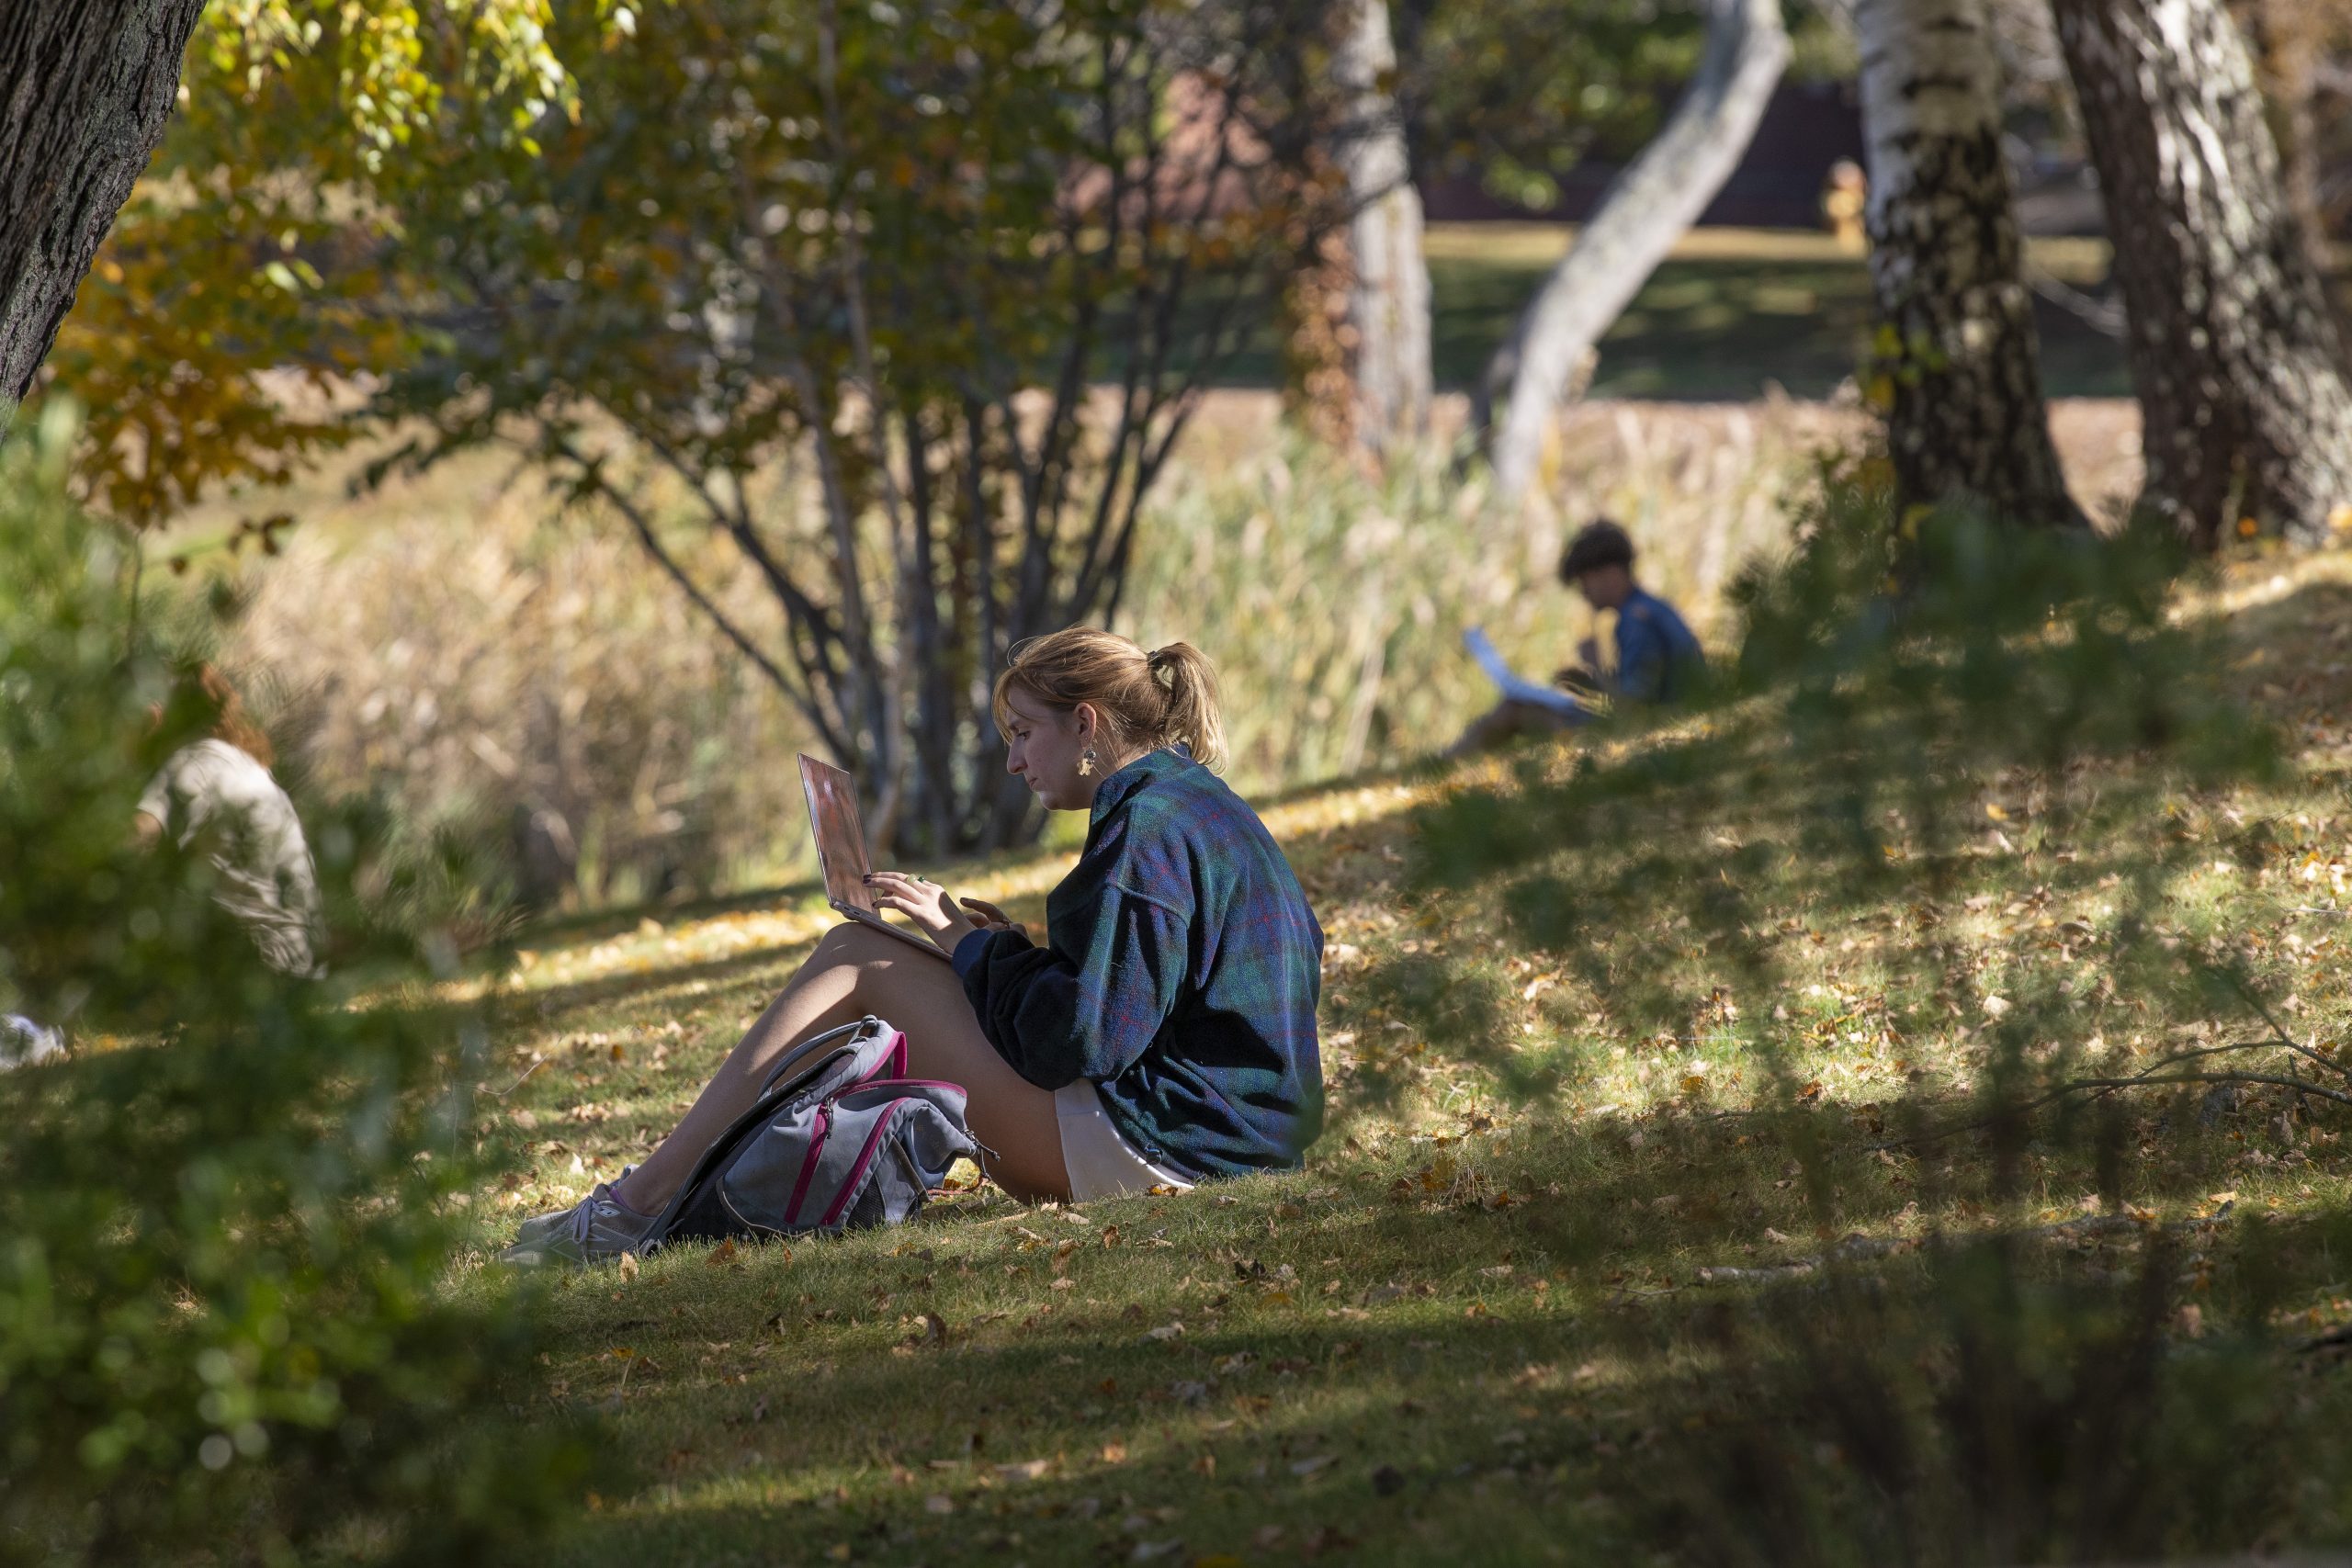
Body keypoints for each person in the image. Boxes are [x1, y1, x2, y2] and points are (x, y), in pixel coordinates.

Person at [503, 629, 1325, 1267]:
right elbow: (1134, 1001)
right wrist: (991, 950)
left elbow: (1077, 1042)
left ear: (1087, 722)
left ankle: (630, 1210)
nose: (1012, 760)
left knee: (855, 957)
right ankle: (666, 1197)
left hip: (1170, 1149)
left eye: (1023, 732)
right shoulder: (1194, 802)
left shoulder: (1142, 832)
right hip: (1233, 1135)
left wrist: (971, 951)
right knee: (869, 953)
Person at [1447, 517, 1704, 756]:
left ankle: (1439, 765)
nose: (1584, 593)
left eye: (1585, 582)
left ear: (1611, 574)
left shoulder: (1636, 621)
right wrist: (1590, 683)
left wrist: (1596, 668)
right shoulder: (1651, 609)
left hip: (1658, 728)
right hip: (1668, 717)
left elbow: (1634, 710)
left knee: (1512, 710)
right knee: (1522, 707)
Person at [135, 666, 326, 978]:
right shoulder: (248, 766)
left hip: (251, 966)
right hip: (300, 960)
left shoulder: (188, 765)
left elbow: (134, 843)